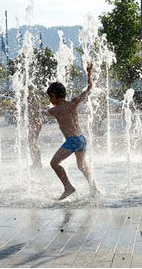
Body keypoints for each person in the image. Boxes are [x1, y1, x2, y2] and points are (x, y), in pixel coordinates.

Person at [42, 63, 98, 200]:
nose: (50, 100)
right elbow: (89, 89)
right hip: (82, 139)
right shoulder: (73, 102)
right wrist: (89, 73)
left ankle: (68, 187)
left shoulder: (54, 110)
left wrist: (34, 109)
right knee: (82, 165)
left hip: (72, 141)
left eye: (50, 97)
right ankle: (94, 188)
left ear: (54, 95)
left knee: (54, 163)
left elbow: (43, 112)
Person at [28, 84, 43, 170]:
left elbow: (37, 111)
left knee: (33, 143)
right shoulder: (34, 97)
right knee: (32, 142)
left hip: (35, 123)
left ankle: (37, 162)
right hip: (34, 123)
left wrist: (37, 122)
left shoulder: (33, 97)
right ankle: (35, 161)